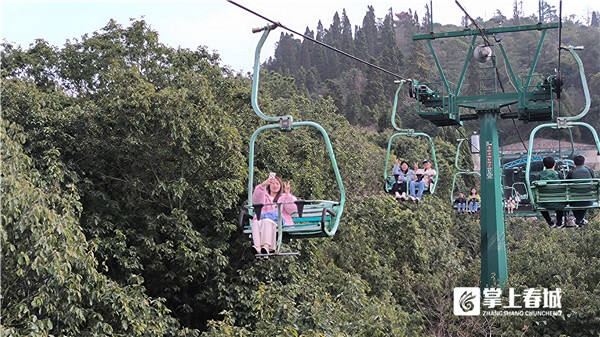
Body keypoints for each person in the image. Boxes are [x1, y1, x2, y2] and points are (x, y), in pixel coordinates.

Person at [250, 173, 297, 255]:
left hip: (279, 221)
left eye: (277, 183)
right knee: (256, 222)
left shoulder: (283, 198)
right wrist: (263, 185)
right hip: (263, 219)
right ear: (269, 185)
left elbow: (292, 209)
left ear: (280, 186)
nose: (275, 185)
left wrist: (288, 195)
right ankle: (257, 246)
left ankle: (266, 246)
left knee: (267, 221)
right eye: (272, 183)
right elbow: (256, 201)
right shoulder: (264, 196)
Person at [566, 155, 595, 227]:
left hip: (574, 201)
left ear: (574, 163)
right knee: (584, 201)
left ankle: (579, 220)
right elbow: (594, 182)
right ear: (584, 163)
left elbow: (566, 185)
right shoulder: (589, 170)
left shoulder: (571, 172)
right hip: (588, 200)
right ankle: (579, 220)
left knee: (575, 201)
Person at [538, 156, 566, 228]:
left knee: (539, 205)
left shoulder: (540, 176)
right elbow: (564, 186)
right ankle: (559, 222)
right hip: (558, 203)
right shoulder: (559, 174)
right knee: (560, 201)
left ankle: (550, 222)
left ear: (544, 165)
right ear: (555, 164)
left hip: (544, 203)